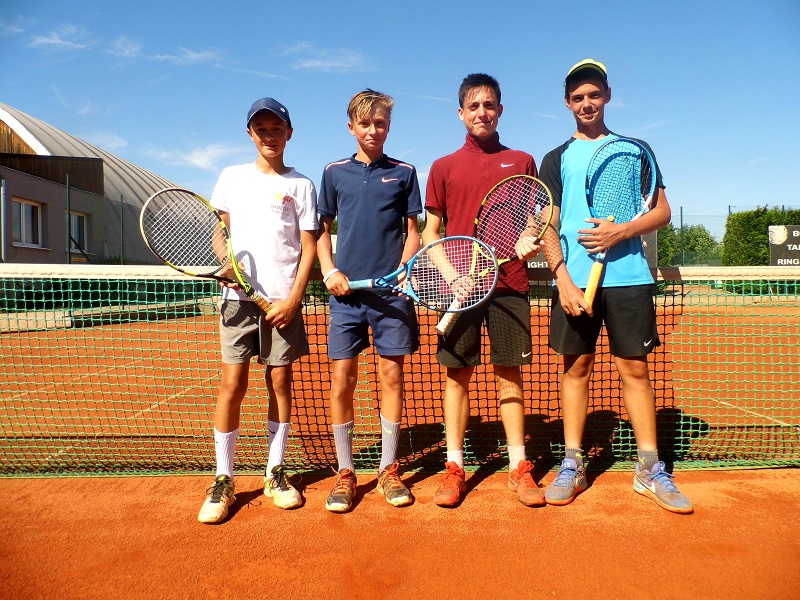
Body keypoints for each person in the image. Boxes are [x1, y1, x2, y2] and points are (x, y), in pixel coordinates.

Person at [537, 59, 693, 514]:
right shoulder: (556, 158)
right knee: (575, 369)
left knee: (635, 371)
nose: (586, 103)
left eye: (594, 94)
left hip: (629, 278)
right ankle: (573, 463)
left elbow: (661, 211)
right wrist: (562, 279)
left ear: (607, 95)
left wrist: (619, 232)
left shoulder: (635, 150)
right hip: (575, 282)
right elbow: (546, 223)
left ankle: (649, 468)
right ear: (567, 103)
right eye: (578, 97)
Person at [421, 73, 545, 508]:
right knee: (457, 376)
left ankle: (518, 467)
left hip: (509, 284)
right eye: (473, 106)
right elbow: (430, 232)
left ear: (500, 110)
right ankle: (454, 467)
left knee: (510, 372)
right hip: (460, 289)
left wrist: (528, 239)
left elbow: (533, 219)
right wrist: (453, 276)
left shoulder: (522, 160)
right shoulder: (442, 167)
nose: (482, 112)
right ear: (461, 113)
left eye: (489, 105)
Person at [197, 97, 318, 524]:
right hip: (237, 304)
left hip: (282, 303)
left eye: (276, 128)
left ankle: (275, 473)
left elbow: (308, 248)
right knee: (232, 384)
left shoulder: (302, 185)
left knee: (280, 382)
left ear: (289, 133)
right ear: (250, 134)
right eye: (261, 129)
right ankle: (223, 478)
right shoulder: (231, 177)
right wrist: (224, 262)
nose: (269, 136)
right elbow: (221, 233)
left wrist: (294, 299)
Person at [317, 89, 423, 512]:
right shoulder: (333, 173)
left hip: (391, 296)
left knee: (391, 378)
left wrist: (404, 267)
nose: (373, 130)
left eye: (380, 123)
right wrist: (329, 271)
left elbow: (413, 231)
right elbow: (321, 230)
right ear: (351, 127)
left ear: (389, 126)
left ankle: (387, 470)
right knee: (342, 379)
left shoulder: (405, 172)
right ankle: (345, 472)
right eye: (365, 123)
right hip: (346, 297)